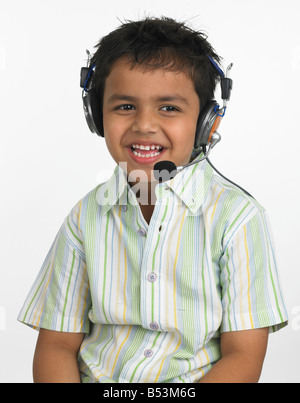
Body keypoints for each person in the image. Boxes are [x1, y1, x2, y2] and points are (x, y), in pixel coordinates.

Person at [18, 16, 288, 383]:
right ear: (97, 117)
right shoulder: (85, 218)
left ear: (208, 121)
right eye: (125, 106)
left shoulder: (237, 219)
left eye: (169, 108)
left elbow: (243, 357)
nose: (144, 124)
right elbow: (57, 345)